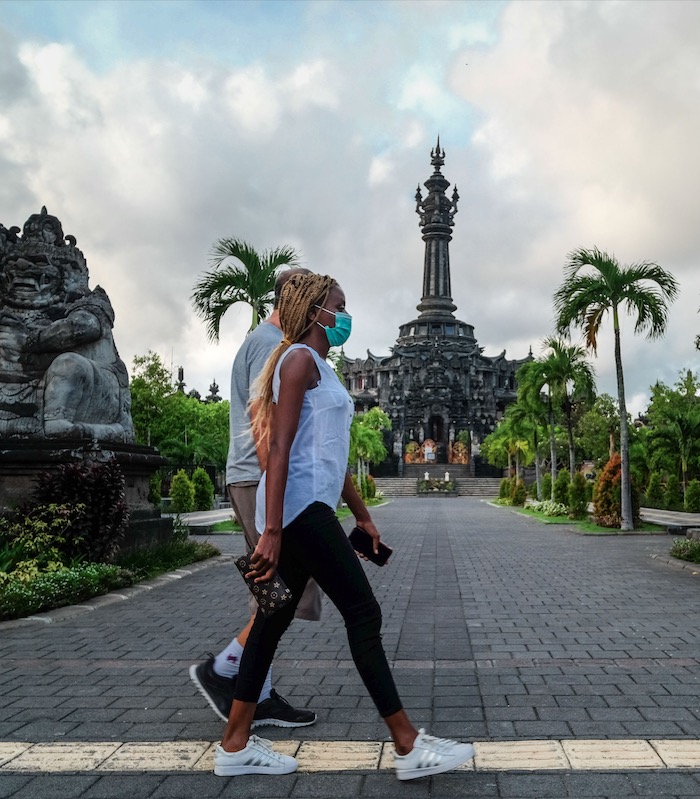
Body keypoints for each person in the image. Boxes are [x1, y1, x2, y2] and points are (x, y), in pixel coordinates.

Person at [213, 272, 475, 780]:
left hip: (311, 504)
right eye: (339, 306)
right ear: (315, 310)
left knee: (273, 619)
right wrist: (271, 529)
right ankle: (407, 744)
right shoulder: (296, 361)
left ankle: (234, 744)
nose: (344, 316)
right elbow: (281, 447)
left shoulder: (324, 368)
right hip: (299, 509)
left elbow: (334, 452)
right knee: (363, 612)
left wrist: (361, 513)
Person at [190, 267, 320, 729]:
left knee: (279, 590)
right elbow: (266, 426)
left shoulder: (270, 342)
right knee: (279, 589)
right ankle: (233, 675)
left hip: (258, 478)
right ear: (293, 301)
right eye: (318, 302)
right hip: (259, 477)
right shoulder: (272, 345)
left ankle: (245, 683)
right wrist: (277, 496)